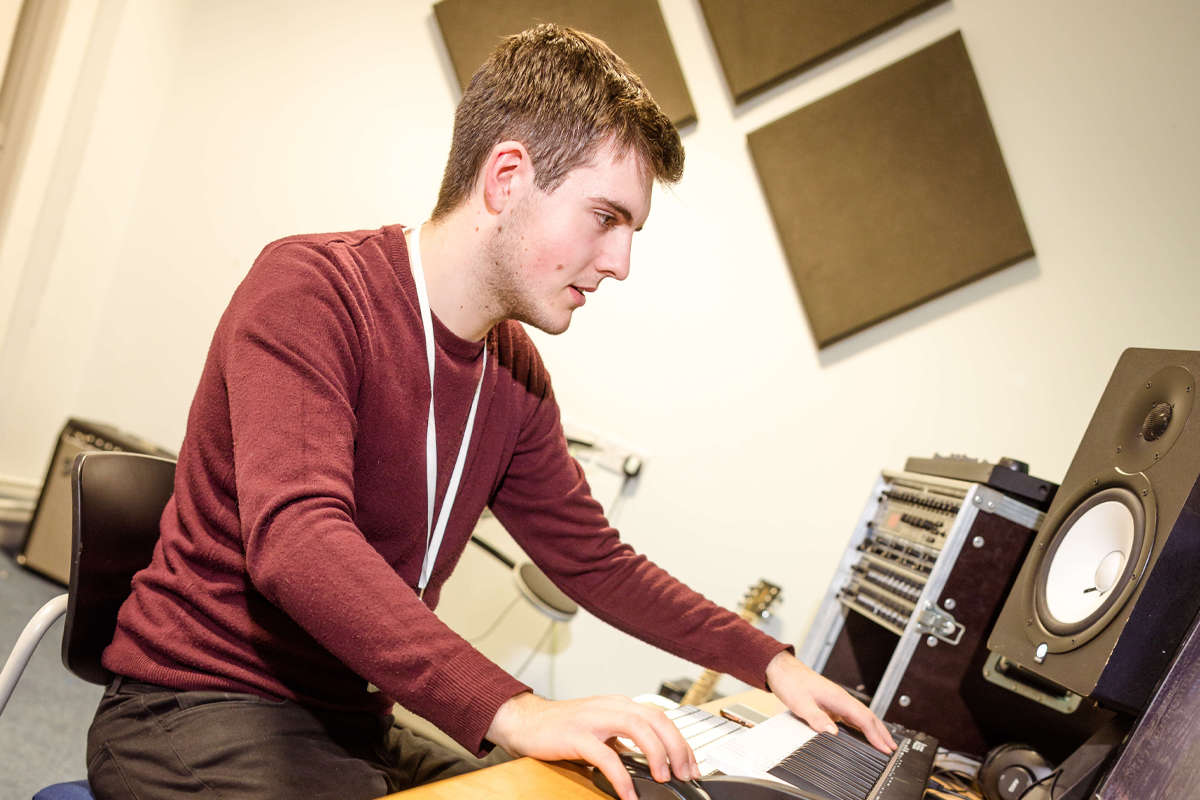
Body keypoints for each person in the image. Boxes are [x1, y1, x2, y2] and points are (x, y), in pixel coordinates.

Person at [85, 23, 894, 800]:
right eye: (606, 218)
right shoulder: (311, 289)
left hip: (352, 722)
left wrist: (774, 665)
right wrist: (517, 710)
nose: (619, 263)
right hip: (199, 707)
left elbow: (596, 563)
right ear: (507, 179)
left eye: (631, 230)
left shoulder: (515, 372)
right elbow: (298, 540)